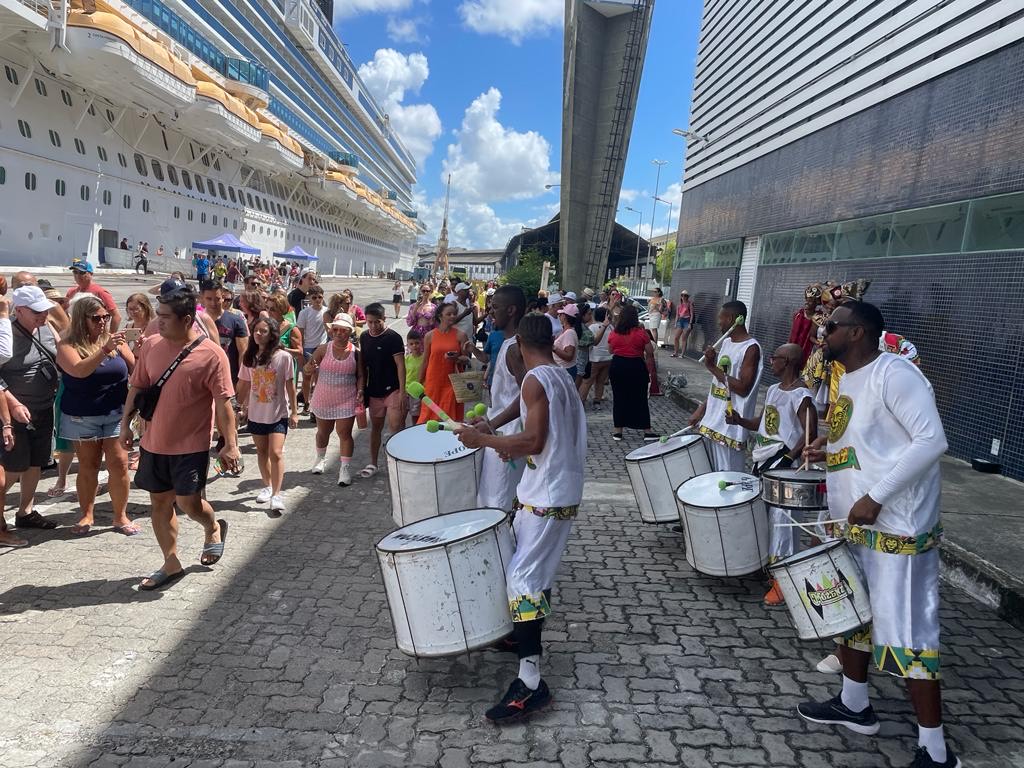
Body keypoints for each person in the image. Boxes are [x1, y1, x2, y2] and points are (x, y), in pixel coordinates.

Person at [798, 301, 958, 768]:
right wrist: (829, 445)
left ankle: (936, 750)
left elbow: (931, 440)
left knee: (909, 634)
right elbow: (870, 442)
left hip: (897, 529)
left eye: (831, 326)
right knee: (854, 616)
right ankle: (854, 705)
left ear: (858, 332)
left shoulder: (896, 374)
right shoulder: (848, 377)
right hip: (856, 525)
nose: (823, 332)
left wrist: (877, 496)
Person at [455, 314, 587, 723]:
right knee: (532, 575)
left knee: (523, 580)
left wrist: (483, 439)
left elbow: (533, 439)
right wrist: (492, 425)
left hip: (547, 494)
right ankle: (519, 636)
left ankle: (530, 682)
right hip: (553, 490)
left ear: (518, 347)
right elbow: (525, 409)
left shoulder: (535, 379)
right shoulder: (558, 374)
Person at [121, 282, 238, 590]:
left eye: (165, 316)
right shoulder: (151, 345)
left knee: (189, 504)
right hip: (153, 442)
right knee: (159, 502)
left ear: (186, 320)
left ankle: (212, 526)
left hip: (191, 445)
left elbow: (224, 404)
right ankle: (171, 562)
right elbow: (138, 386)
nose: (158, 321)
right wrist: (124, 425)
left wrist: (230, 445)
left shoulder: (212, 355)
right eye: (157, 314)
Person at [725, 343, 815, 605]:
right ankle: (766, 568)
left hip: (783, 465)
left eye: (775, 357)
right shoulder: (774, 389)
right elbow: (764, 423)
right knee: (763, 517)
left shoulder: (802, 395)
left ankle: (784, 582)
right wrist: (740, 421)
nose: (771, 361)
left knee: (782, 521)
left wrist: (789, 457)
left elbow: (810, 433)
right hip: (763, 460)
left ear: (788, 362)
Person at [55, 295, 139, 536]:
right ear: (82, 319)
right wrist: (105, 350)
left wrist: (142, 349)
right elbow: (79, 371)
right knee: (88, 465)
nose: (102, 322)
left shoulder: (115, 341)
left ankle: (120, 516)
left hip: (116, 414)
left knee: (119, 464)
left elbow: (135, 369)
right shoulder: (67, 345)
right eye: (96, 318)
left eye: (106, 317)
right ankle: (87, 514)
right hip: (82, 416)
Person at [1, 286, 62, 532]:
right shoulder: (6, 333)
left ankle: (25, 512)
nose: (43, 315)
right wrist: (14, 404)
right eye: (37, 312)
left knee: (36, 462)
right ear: (20, 311)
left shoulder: (46, 327)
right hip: (14, 412)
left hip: (44, 407)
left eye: (45, 310)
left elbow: (62, 351)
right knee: (13, 467)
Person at [688, 301, 762, 472]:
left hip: (730, 430)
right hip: (711, 423)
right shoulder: (727, 342)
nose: (718, 322)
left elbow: (743, 388)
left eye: (721, 318)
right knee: (709, 479)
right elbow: (719, 384)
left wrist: (712, 367)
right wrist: (701, 410)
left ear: (731, 319)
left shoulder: (751, 348)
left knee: (728, 481)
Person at [237, 316, 299, 514]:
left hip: (278, 414)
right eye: (256, 330)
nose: (258, 334)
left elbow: (290, 385)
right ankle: (267, 485)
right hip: (256, 414)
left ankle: (277, 494)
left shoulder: (283, 357)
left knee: (276, 453)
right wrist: (238, 407)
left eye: (263, 331)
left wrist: (294, 412)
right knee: (262, 452)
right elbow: (244, 384)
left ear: (272, 334)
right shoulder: (249, 357)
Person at [473, 285, 527, 512]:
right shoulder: (507, 343)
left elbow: (527, 397)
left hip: (509, 434)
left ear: (511, 310)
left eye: (495, 307)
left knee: (499, 504)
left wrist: (491, 424)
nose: (490, 312)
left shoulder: (515, 348)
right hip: (499, 431)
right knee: (489, 498)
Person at [305, 313, 363, 486]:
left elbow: (361, 375)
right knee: (323, 432)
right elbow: (307, 369)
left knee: (345, 434)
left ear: (350, 332)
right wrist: (309, 368)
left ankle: (344, 468)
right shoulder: (323, 349)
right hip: (324, 397)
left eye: (343, 330)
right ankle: (320, 458)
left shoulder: (356, 353)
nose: (338, 333)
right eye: (335, 329)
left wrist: (361, 389)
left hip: (346, 398)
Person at [358, 303, 406, 478]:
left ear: (384, 319)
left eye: (377, 322)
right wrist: (361, 389)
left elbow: (400, 365)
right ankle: (373, 463)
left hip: (393, 389)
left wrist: (402, 391)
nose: (373, 326)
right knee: (376, 428)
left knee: (395, 427)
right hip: (374, 390)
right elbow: (362, 366)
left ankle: (398, 464)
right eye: (369, 322)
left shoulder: (393, 337)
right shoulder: (364, 337)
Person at [607, 304, 659, 442]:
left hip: (618, 365)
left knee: (619, 398)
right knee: (640, 398)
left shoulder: (615, 333)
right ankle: (647, 431)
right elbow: (650, 352)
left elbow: (610, 350)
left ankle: (618, 431)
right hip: (636, 365)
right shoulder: (641, 333)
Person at [417, 302, 471, 425]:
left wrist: (457, 358)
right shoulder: (429, 336)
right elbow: (425, 360)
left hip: (452, 382)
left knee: (449, 419)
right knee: (428, 417)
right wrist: (418, 382)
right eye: (449, 314)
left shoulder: (461, 335)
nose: (453, 316)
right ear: (440, 316)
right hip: (433, 382)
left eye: (454, 314)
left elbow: (467, 359)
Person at [201, 280, 249, 387]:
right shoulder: (195, 321)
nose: (213, 303)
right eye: (209, 299)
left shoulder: (236, 321)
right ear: (202, 298)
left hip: (228, 379)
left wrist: (241, 380)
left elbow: (243, 352)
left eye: (217, 299)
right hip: (202, 378)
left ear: (222, 297)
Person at [296, 286, 327, 416]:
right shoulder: (304, 313)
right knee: (307, 377)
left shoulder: (327, 312)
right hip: (308, 348)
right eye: (314, 297)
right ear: (309, 298)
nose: (317, 300)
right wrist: (301, 351)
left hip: (322, 348)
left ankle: (316, 405)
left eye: (320, 297)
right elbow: (300, 333)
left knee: (319, 379)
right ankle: (306, 402)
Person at [66, 259, 121, 331]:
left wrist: (110, 334)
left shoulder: (100, 292)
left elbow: (116, 316)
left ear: (91, 274)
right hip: (77, 333)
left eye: (82, 273)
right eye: (75, 272)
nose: (78, 276)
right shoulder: (71, 292)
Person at [579, 306, 612, 407]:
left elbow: (590, 342)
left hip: (594, 358)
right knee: (600, 381)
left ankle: (581, 400)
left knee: (587, 381)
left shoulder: (592, 327)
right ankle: (597, 400)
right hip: (607, 358)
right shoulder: (611, 327)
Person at [789, 284, 822, 366]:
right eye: (806, 300)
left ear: (816, 303)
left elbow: (814, 336)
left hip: (808, 352)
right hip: (793, 350)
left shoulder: (818, 318)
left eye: (810, 301)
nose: (807, 302)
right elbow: (792, 334)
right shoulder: (797, 315)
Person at [552, 304, 580, 380]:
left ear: (565, 316)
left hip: (566, 370)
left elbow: (569, 356)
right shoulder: (566, 331)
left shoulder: (569, 333)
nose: (559, 316)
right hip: (563, 369)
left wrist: (553, 347)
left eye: (560, 314)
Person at [672, 290, 694, 358]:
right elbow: (677, 315)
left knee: (684, 338)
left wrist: (690, 323)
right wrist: (675, 323)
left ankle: (682, 354)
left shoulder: (689, 304)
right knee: (676, 337)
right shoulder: (679, 304)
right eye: (682, 295)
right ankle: (675, 352)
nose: (683, 297)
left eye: (685, 295)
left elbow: (692, 314)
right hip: (680, 320)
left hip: (687, 321)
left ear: (687, 297)